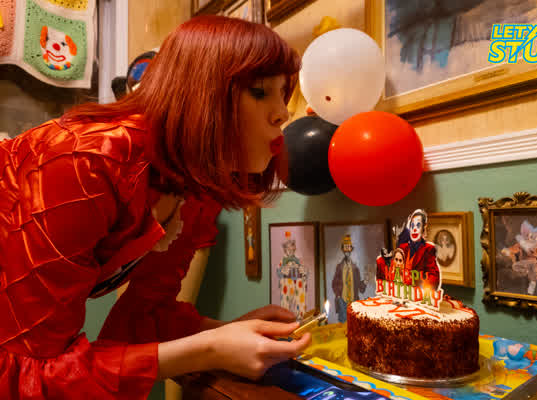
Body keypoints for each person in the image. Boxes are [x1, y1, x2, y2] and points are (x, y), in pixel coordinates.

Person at [0, 15, 311, 400]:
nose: (283, 113)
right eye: (260, 92)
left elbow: (145, 316)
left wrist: (227, 331)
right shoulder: (85, 162)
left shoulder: (195, 183)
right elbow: (30, 375)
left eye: (284, 94)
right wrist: (212, 348)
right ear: (202, 94)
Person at [397, 209, 440, 288]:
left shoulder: (429, 249)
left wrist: (415, 279)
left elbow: (434, 280)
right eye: (412, 226)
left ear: (423, 228)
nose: (414, 229)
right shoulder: (403, 247)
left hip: (417, 292)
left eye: (418, 225)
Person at [331, 234, 366, 323]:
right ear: (343, 250)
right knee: (343, 322)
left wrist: (365, 281)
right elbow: (334, 283)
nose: (347, 250)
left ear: (351, 250)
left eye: (348, 247)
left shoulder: (355, 268)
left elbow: (360, 287)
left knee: (354, 322)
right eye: (345, 247)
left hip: (353, 300)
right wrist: (338, 295)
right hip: (342, 300)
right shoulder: (339, 267)